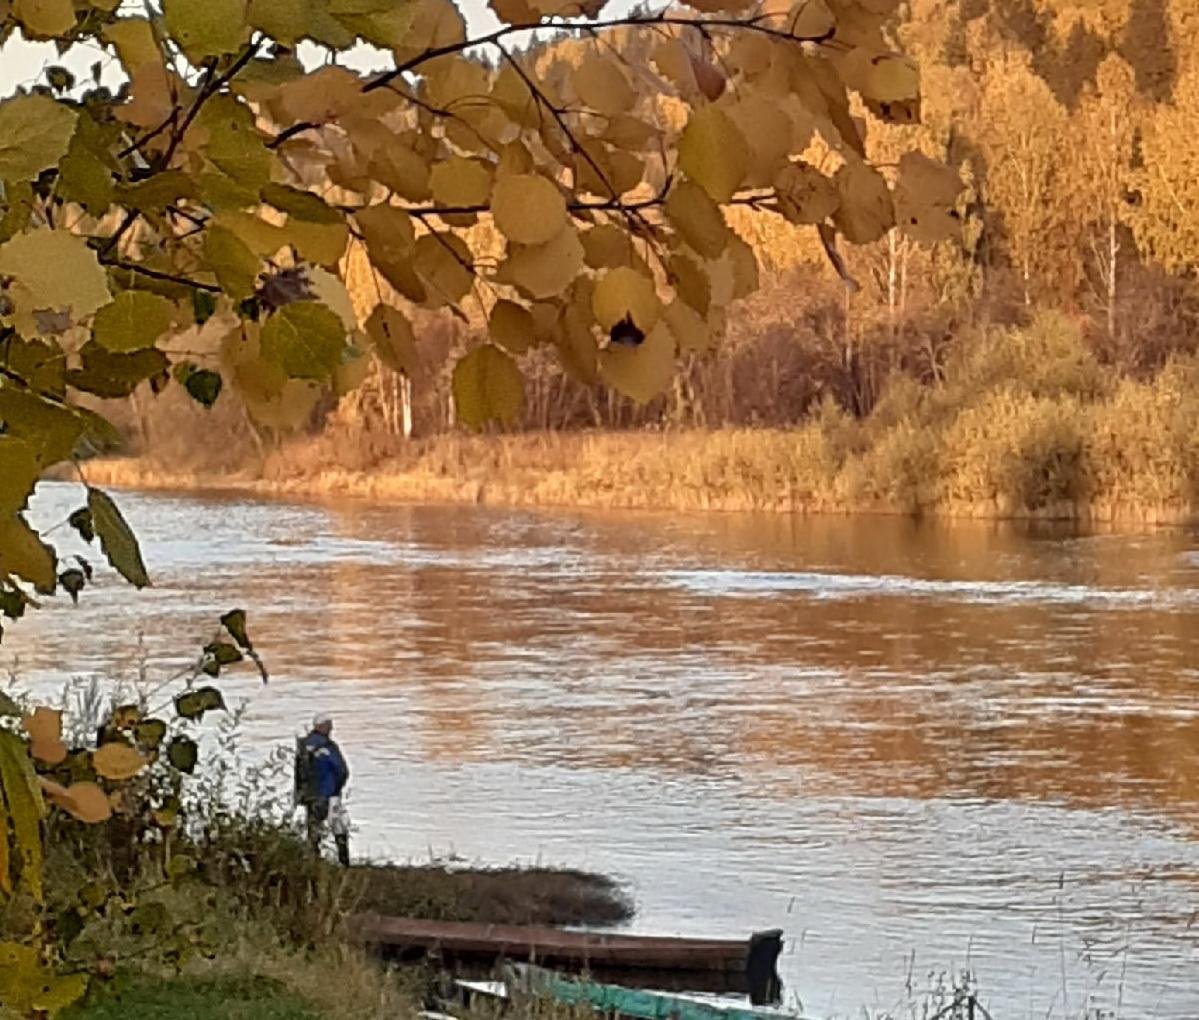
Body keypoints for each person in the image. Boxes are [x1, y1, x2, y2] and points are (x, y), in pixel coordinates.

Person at [294, 712, 351, 866]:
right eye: (329, 725)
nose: (331, 728)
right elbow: (342, 771)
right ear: (324, 727)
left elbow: (298, 772)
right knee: (339, 826)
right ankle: (344, 861)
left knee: (313, 827)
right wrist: (336, 790)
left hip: (309, 794)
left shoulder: (304, 746)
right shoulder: (328, 746)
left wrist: (299, 794)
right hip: (329, 793)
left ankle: (314, 859)